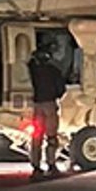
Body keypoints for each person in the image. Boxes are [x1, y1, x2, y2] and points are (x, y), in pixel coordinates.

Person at [26, 43, 66, 178]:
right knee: (51, 137)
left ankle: (36, 167)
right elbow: (61, 89)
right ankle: (51, 164)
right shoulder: (54, 70)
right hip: (49, 104)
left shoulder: (32, 70)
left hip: (37, 106)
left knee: (36, 137)